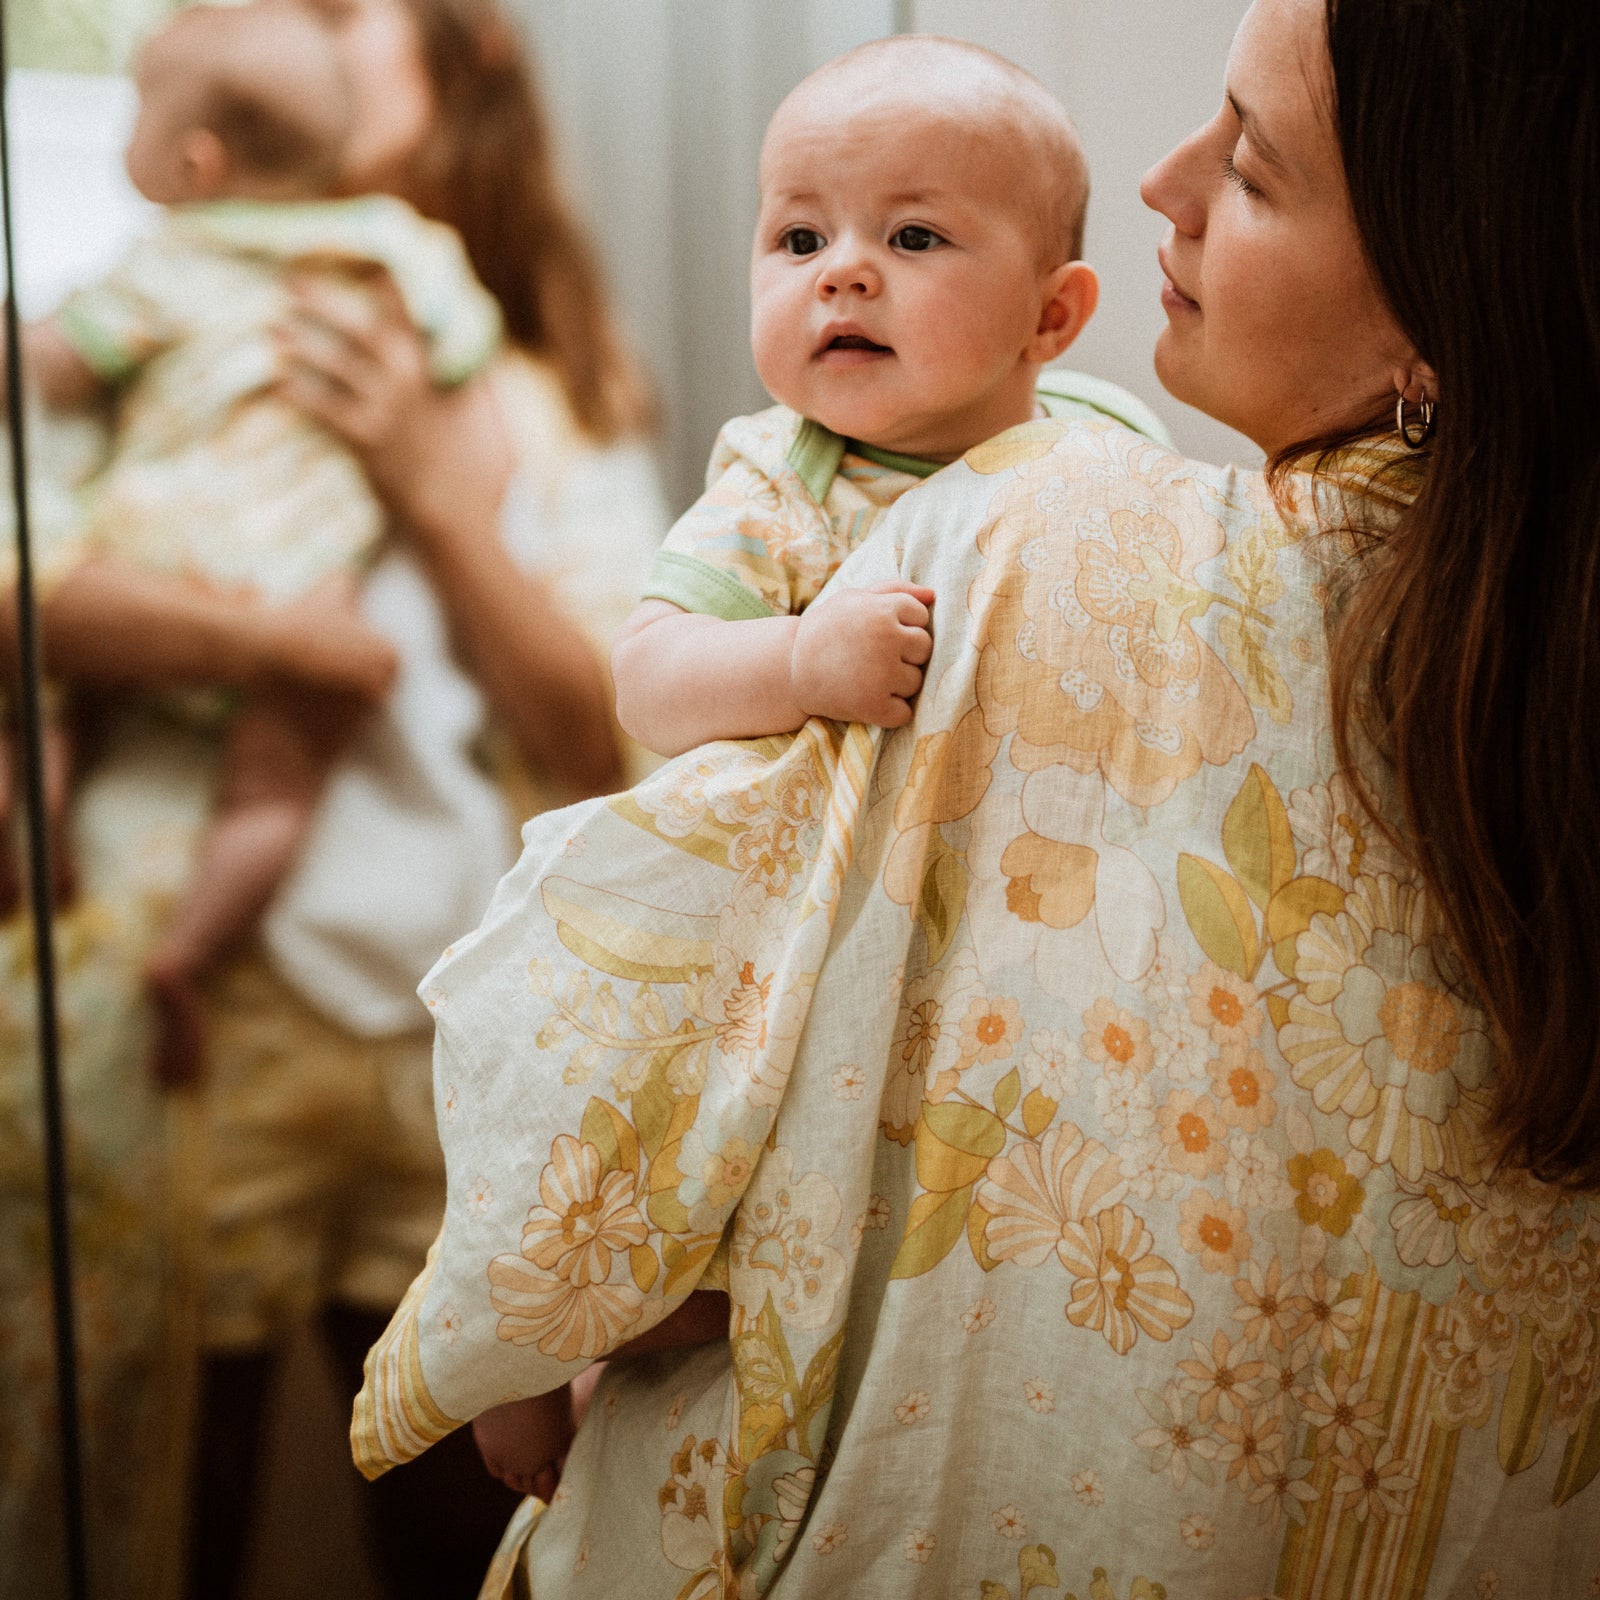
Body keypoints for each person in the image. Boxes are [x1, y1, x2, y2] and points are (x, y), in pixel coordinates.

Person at [354, 0, 1600, 1595]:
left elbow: (792, 1079)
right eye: (798, 233)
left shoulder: (1048, 529)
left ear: (1450, 303)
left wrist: (606, 1289)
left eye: (1256, 167)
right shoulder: (1505, 663)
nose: (1167, 179)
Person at [0, 1, 664, 1597]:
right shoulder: (161, 331)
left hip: (448, 1045)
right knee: (161, 1492)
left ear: (450, 84)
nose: (292, 29)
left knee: (464, 1507)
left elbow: (609, 741)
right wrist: (263, 639)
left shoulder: (533, 396)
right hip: (192, 1032)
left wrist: (442, 502)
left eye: (340, 12)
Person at [26, 0, 503, 1086]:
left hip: (145, 546)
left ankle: (36, 801)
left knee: (48, 686)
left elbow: (57, 364)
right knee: (273, 783)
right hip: (302, 582)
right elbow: (466, 345)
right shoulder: (393, 245)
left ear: (194, 161)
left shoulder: (169, 257)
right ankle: (189, 955)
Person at [612, 38, 1171, 760]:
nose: (841, 271)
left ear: (1050, 315)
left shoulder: (1109, 440)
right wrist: (797, 661)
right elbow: (644, 683)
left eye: (912, 236)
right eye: (801, 238)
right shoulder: (783, 493)